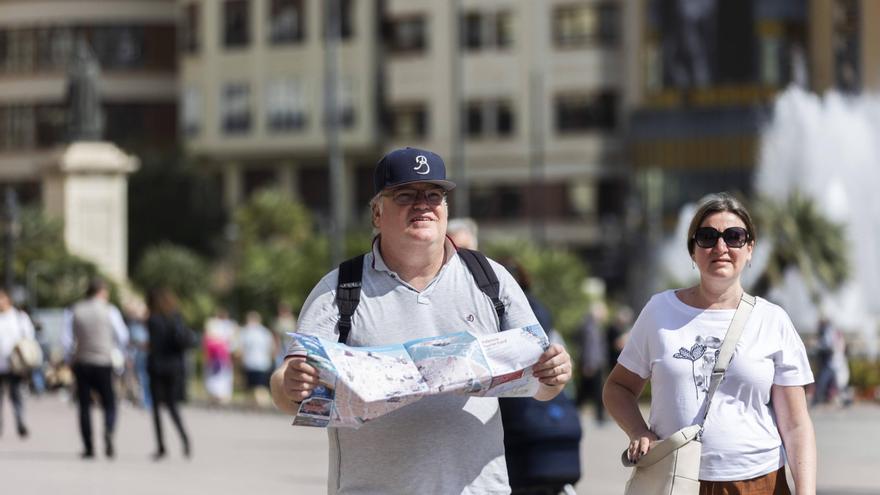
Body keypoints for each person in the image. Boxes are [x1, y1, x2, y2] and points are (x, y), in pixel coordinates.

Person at [270, 147, 572, 494]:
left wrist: (556, 374)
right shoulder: (339, 289)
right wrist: (291, 385)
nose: (423, 204)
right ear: (377, 213)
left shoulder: (491, 279)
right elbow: (285, 386)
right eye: (405, 195)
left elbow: (543, 384)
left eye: (434, 195)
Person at [603, 192, 816, 494]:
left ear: (750, 248)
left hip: (758, 481)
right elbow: (617, 388)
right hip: (676, 478)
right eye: (707, 237)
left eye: (734, 237)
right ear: (692, 250)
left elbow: (796, 424)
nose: (720, 247)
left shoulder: (773, 320)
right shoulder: (659, 311)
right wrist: (638, 431)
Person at [62, 278, 129, 459]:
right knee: (109, 402)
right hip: (103, 361)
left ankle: (89, 446)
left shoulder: (75, 310)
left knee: (84, 406)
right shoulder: (110, 311)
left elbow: (67, 340)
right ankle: (108, 429)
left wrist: (69, 359)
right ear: (101, 292)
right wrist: (119, 354)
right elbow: (123, 336)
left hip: (82, 361)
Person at [145, 288, 192, 460]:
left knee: (157, 407)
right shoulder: (176, 317)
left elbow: (154, 345)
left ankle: (161, 446)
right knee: (173, 406)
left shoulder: (153, 320)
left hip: (157, 367)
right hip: (175, 367)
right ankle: (185, 439)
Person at [0, 288, 35, 438]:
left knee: (17, 395)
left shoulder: (20, 317)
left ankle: (20, 422)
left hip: (16, 364)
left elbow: (29, 338)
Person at [236, 311, 275, 407]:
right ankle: (260, 405)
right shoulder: (265, 332)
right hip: (263, 363)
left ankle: (253, 405)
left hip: (250, 363)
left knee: (250, 387)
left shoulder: (245, 331)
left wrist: (238, 362)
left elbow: (240, 349)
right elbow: (272, 348)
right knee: (260, 387)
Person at [577, 302, 607, 424]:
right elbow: (589, 348)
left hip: (595, 363)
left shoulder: (595, 325)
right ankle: (599, 416)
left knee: (586, 391)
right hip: (591, 364)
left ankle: (598, 415)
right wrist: (588, 364)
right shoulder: (589, 327)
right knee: (594, 391)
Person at [202, 308, 237, 405]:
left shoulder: (227, 325)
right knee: (217, 376)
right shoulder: (214, 324)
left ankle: (219, 395)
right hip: (216, 355)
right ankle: (216, 395)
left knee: (221, 376)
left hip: (222, 356)